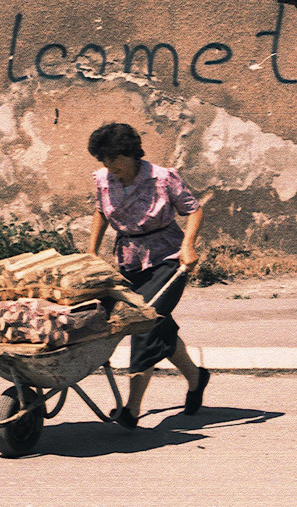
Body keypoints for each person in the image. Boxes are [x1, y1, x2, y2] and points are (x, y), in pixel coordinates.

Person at [85, 122, 211, 429]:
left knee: (142, 325)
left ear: (130, 154)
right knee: (160, 326)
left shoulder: (162, 177)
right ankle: (196, 377)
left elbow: (193, 210)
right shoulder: (104, 179)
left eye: (113, 159)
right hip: (129, 261)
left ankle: (132, 409)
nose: (108, 166)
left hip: (168, 260)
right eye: (103, 160)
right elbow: (102, 212)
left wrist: (188, 246)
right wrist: (91, 253)